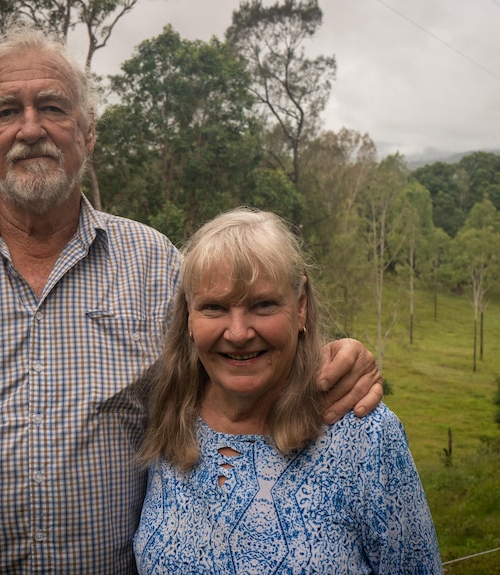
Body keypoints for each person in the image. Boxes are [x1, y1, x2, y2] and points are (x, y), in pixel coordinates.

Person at [0, 24, 383, 574]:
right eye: (7, 111)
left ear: (87, 133)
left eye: (54, 107)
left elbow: (237, 353)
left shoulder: (156, 263)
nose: (31, 128)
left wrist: (333, 357)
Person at [134, 207, 443, 574]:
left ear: (300, 306)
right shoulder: (168, 417)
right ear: (188, 317)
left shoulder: (364, 437)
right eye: (214, 307)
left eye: (263, 304)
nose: (237, 333)